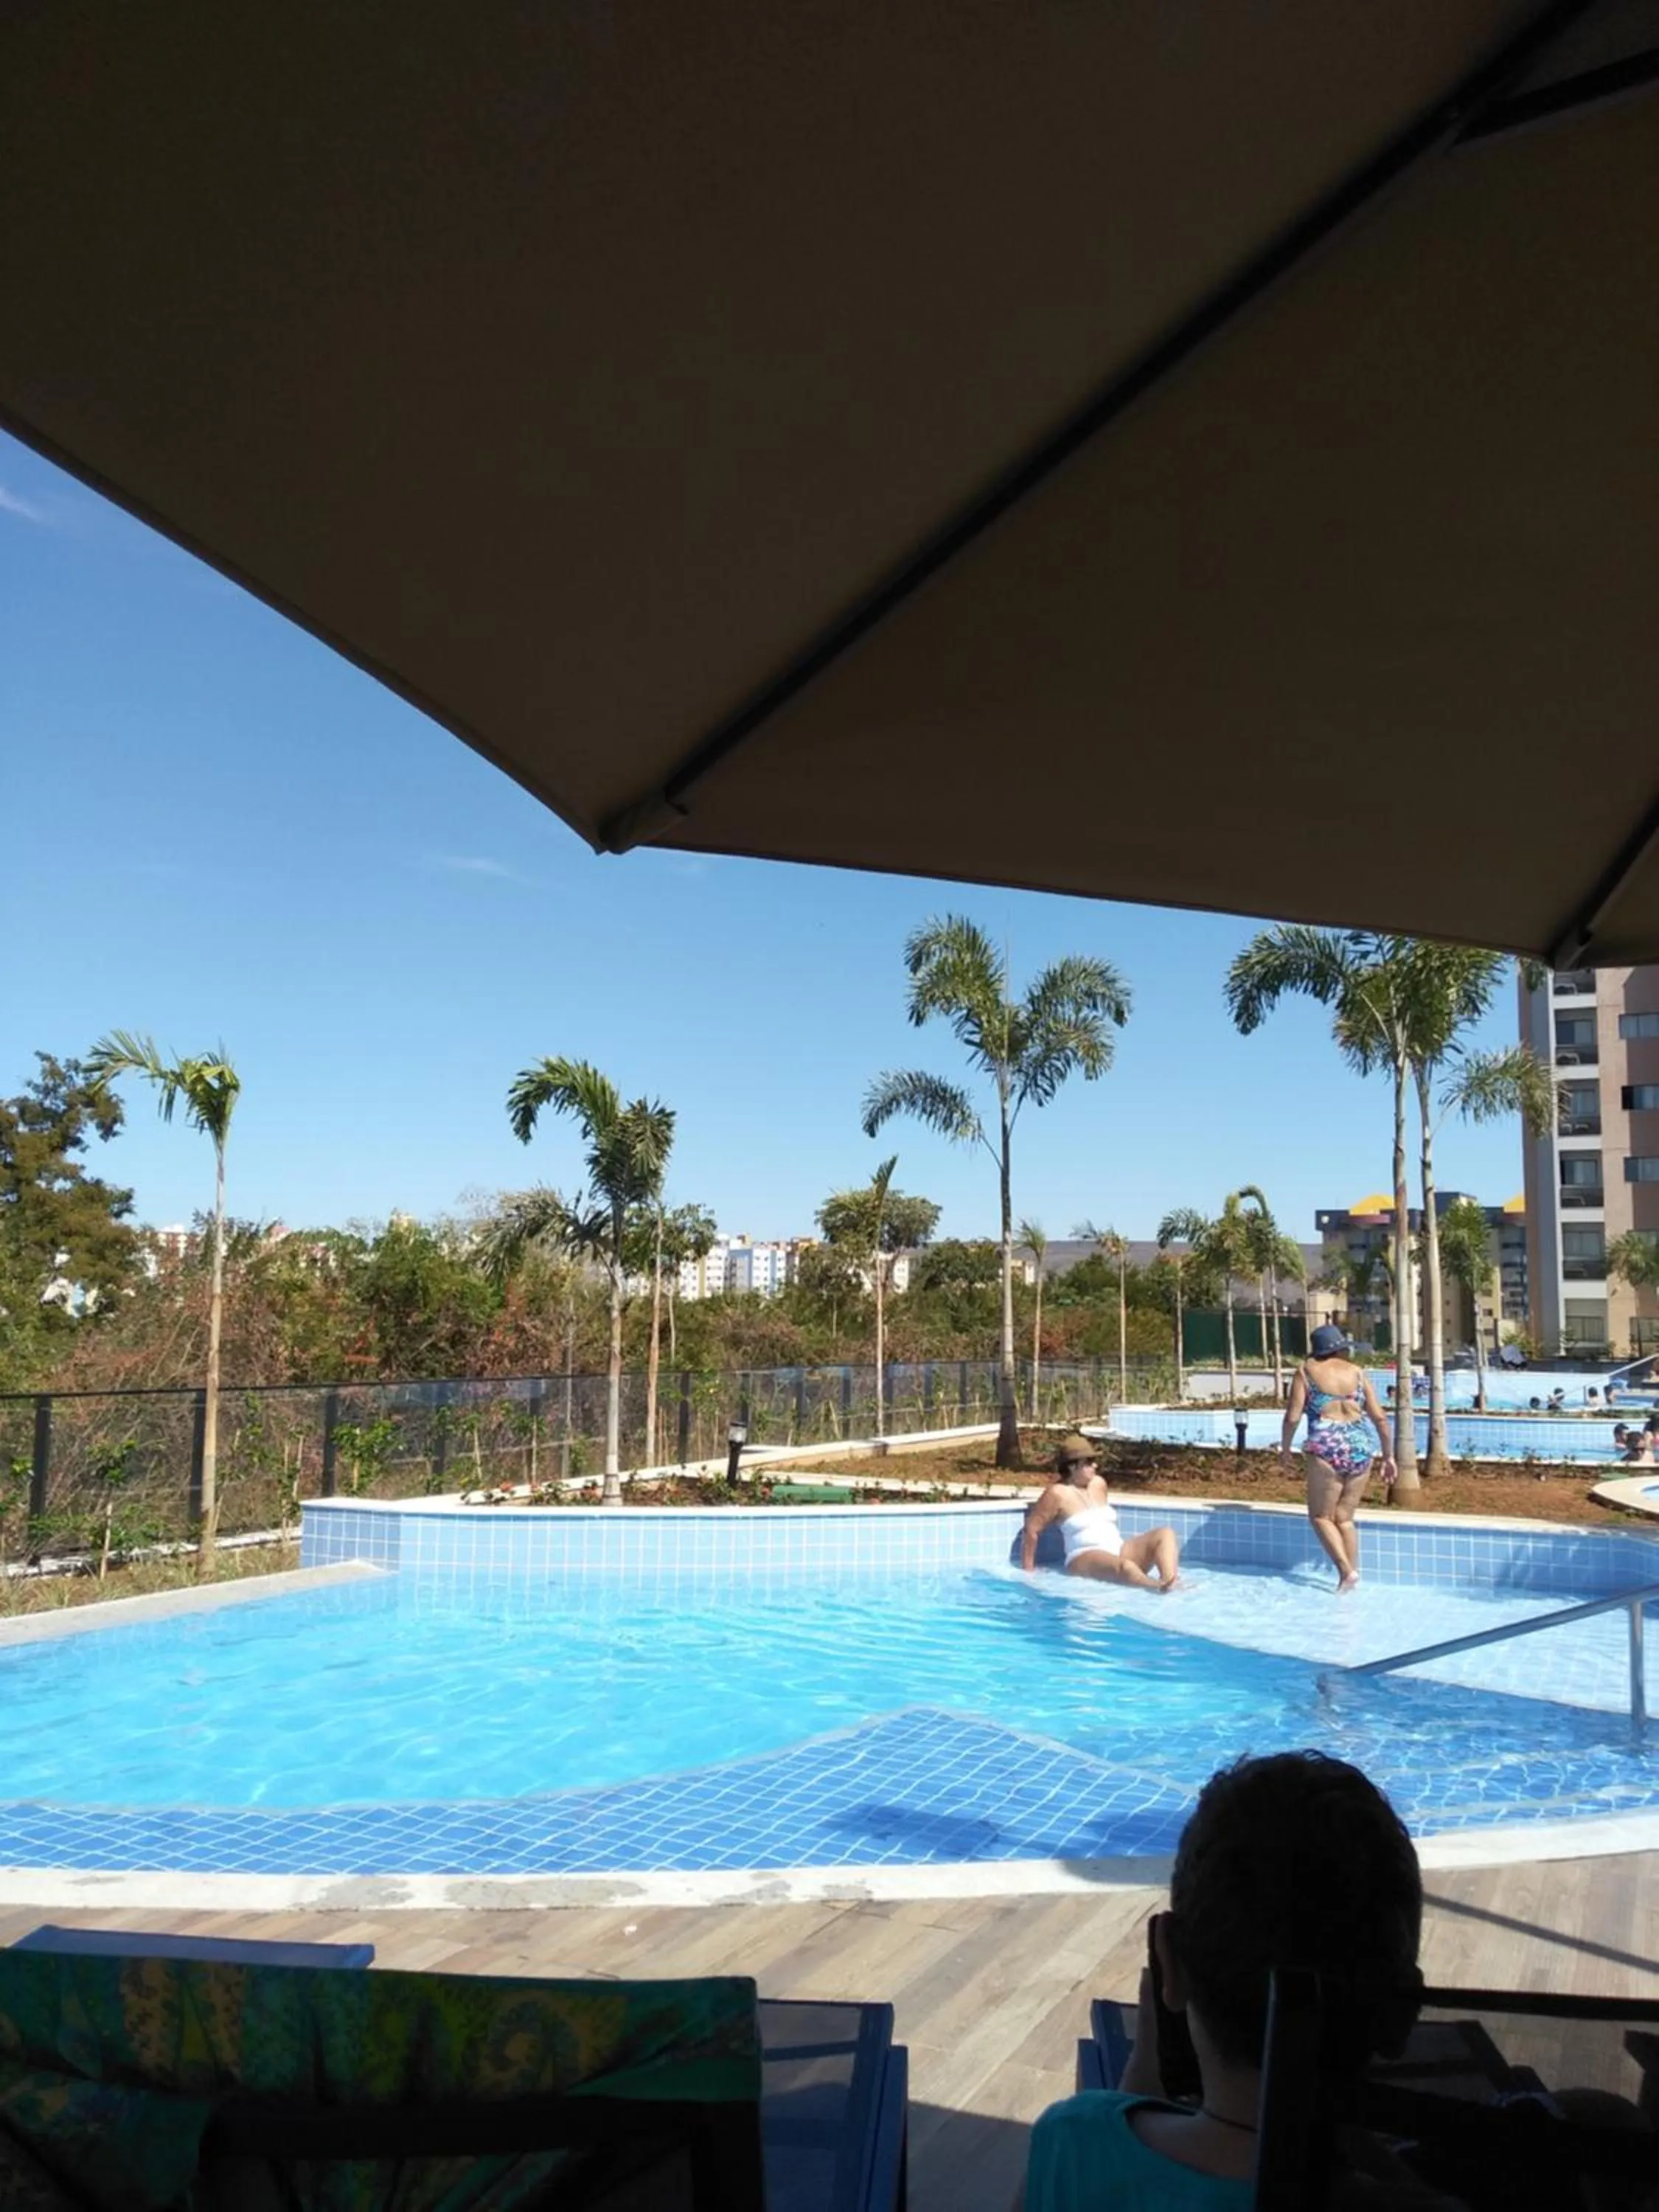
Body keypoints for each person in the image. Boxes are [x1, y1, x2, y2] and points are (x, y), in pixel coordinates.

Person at [1026, 1752, 1441, 2211]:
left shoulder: (1072, 2140)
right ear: (1401, 2010)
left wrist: (1135, 2085)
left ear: (1170, 1964)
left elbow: (1110, 2150)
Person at [1281, 1325, 1396, 1593]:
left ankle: (1346, 1571)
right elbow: (1380, 1418)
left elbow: (1293, 1417)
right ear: (1339, 1347)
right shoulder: (1357, 1373)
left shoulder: (1306, 1372)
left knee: (1321, 1517)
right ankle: (1351, 1576)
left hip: (1327, 1444)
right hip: (1360, 1444)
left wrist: (1285, 1449)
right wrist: (1388, 1456)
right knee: (1344, 1518)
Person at [1020, 1436, 1180, 1590]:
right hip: (1083, 1557)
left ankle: (1171, 1582)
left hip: (1118, 1550)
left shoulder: (1098, 1484)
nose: (1095, 1466)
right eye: (1089, 1463)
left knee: (1165, 1534)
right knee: (1126, 1567)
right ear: (1072, 1466)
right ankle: (1156, 1588)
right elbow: (1032, 1530)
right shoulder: (1057, 1493)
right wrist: (1029, 1573)